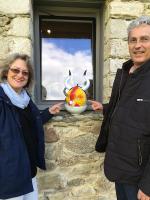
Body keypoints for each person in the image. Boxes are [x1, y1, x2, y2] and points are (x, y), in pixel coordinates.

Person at [91, 16, 150, 200]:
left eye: (144, 39)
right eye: (133, 40)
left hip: (140, 177)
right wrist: (105, 108)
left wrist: (148, 186)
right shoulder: (126, 72)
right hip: (120, 167)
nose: (137, 45)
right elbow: (127, 105)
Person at [0, 53, 62, 200]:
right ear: (6, 72)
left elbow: (31, 123)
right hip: (10, 177)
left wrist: (48, 112)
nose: (20, 75)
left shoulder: (26, 99)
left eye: (25, 72)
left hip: (29, 171)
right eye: (15, 70)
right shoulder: (1, 99)